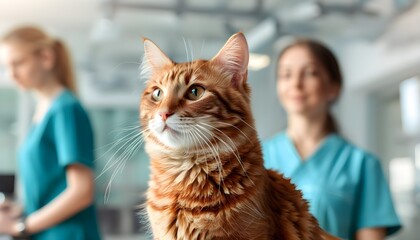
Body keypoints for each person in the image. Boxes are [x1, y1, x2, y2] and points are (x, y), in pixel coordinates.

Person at [262, 38, 401, 240]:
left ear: (333, 87)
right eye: (286, 74)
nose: (295, 83)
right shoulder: (254, 158)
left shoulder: (362, 165)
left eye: (310, 73)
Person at [0, 26, 101, 240]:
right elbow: (49, 189)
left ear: (45, 58)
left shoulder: (65, 109)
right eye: (7, 67)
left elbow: (81, 192)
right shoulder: (43, 112)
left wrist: (21, 226)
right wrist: (18, 210)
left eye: (18, 63)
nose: (12, 74)